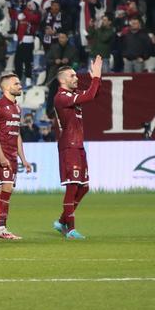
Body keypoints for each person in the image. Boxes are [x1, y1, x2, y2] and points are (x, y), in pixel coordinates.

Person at [53, 56, 103, 239]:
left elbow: (94, 94)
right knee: (72, 187)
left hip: (78, 146)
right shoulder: (61, 97)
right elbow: (89, 95)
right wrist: (95, 78)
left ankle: (61, 221)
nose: (76, 78)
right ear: (63, 80)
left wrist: (97, 78)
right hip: (69, 147)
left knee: (84, 187)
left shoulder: (72, 96)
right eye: (72, 76)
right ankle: (71, 230)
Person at [0, 71, 30, 240]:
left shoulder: (17, 107)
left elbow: (17, 134)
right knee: (6, 188)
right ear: (6, 87)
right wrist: (2, 157)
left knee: (7, 191)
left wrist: (23, 159)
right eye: (16, 84)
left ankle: (1, 226)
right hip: (1, 153)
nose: (20, 86)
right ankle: (0, 228)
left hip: (12, 155)